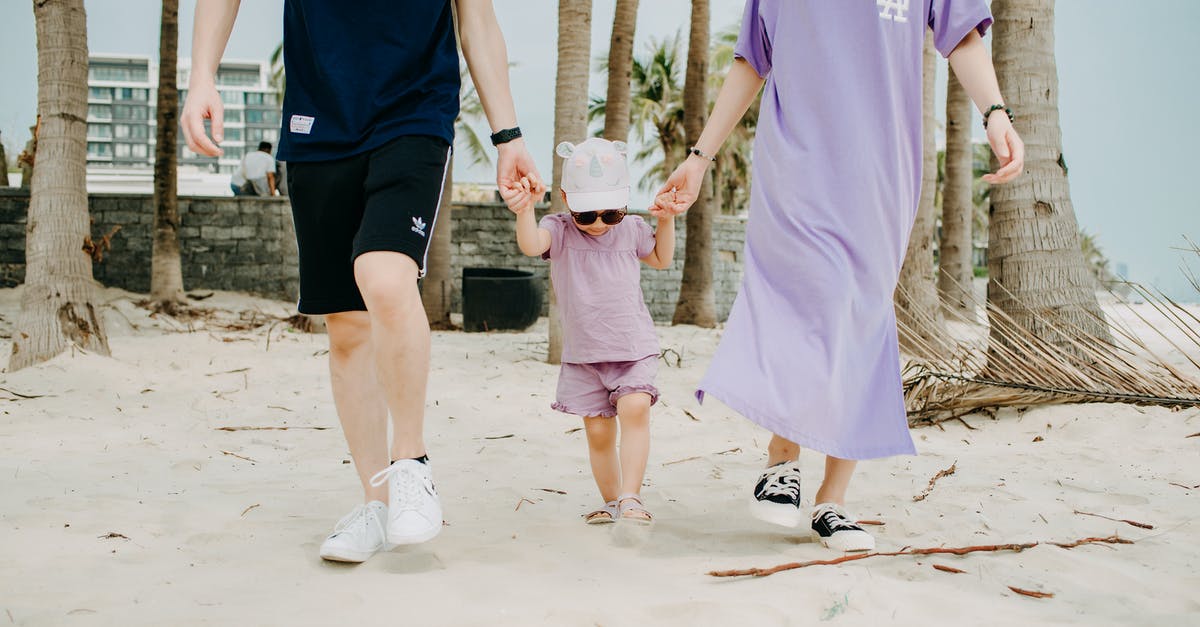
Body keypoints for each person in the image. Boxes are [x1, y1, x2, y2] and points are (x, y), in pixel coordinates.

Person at [181, 0, 544, 563]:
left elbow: (477, 19)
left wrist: (508, 135)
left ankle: (410, 465)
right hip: (317, 123)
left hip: (413, 113)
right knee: (347, 326)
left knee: (384, 275)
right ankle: (374, 505)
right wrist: (202, 72)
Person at [654, 0, 1024, 551]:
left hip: (882, 173)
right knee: (811, 298)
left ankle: (833, 500)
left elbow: (962, 34)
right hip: (796, 164)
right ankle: (783, 457)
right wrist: (700, 157)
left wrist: (995, 113)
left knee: (860, 317)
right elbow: (753, 60)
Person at [504, 138, 675, 525]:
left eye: (610, 213)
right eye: (587, 214)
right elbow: (532, 246)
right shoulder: (559, 230)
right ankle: (613, 500)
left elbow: (662, 259)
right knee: (598, 434)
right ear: (566, 199)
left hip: (632, 347)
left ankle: (632, 497)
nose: (598, 222)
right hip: (585, 356)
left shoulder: (631, 229)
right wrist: (525, 208)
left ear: (625, 201)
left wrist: (666, 219)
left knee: (634, 407)